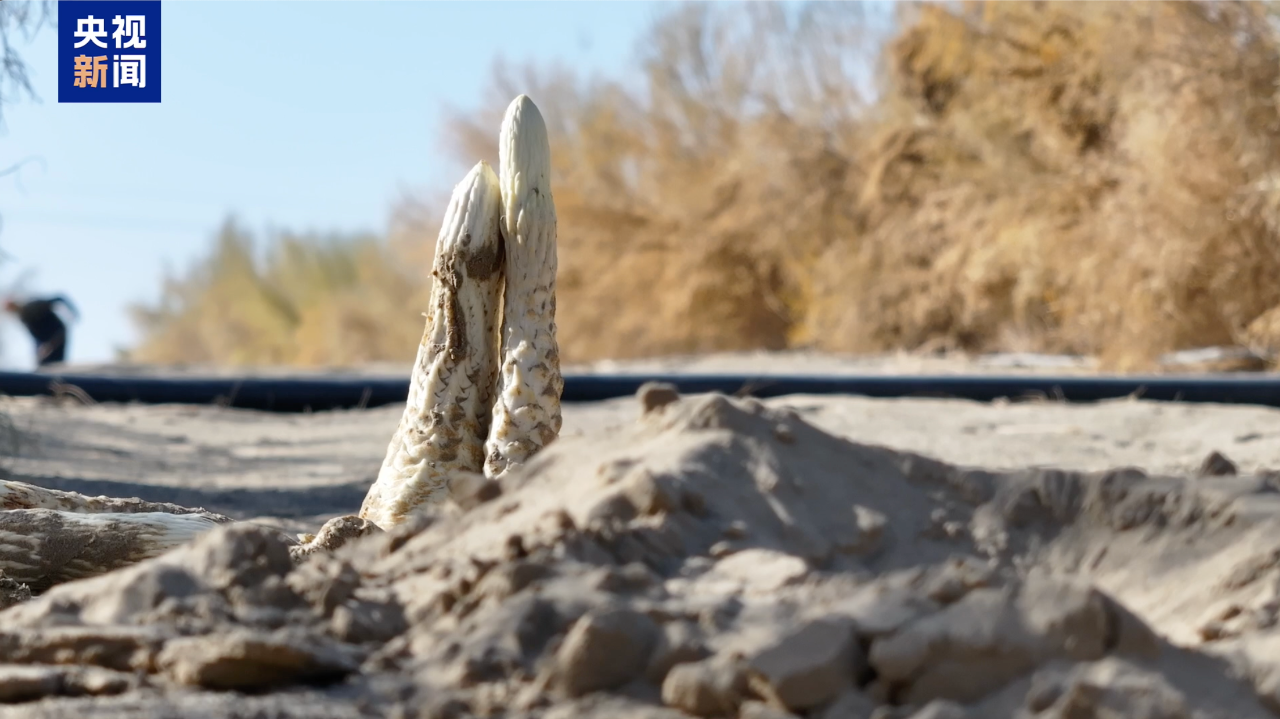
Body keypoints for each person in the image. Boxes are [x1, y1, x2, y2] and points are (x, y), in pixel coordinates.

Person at [5, 295, 79, 367]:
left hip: (57, 334)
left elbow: (59, 299)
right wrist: (39, 350)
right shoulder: (24, 319)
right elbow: (36, 336)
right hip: (47, 341)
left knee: (56, 362)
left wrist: (72, 313)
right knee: (42, 363)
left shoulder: (34, 307)